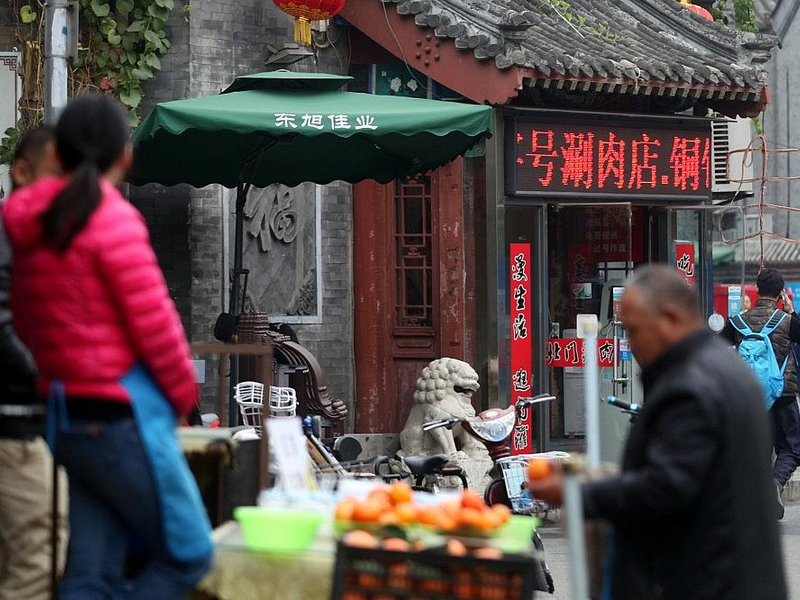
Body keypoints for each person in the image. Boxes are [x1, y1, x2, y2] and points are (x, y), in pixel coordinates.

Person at [1, 95, 213, 599]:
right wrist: (185, 399)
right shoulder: (110, 219)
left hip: (64, 415)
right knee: (189, 556)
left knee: (90, 574)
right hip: (120, 416)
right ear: (124, 155)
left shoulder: (26, 223)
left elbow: (28, 324)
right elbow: (157, 327)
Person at [531, 266, 786, 600]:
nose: (631, 345)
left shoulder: (691, 386)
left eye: (635, 331)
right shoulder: (726, 370)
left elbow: (667, 487)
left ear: (668, 317)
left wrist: (578, 493)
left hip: (706, 582)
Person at [0, 127, 67, 600]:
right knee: (38, 557)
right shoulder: (10, 234)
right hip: (13, 429)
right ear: (21, 172)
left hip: (22, 424)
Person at [721, 268, 800, 519]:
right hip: (783, 396)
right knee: (792, 448)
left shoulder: (737, 322)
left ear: (755, 290)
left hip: (750, 396)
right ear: (780, 294)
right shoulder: (787, 321)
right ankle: (775, 484)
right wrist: (791, 311)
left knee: (757, 448)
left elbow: (716, 349)